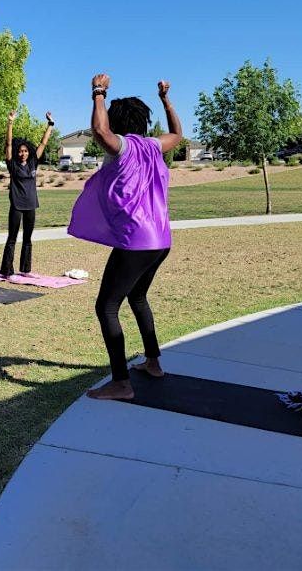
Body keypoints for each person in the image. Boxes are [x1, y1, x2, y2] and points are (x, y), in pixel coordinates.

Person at [68, 74, 182, 400]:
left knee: (106, 307)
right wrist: (165, 100)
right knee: (138, 298)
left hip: (136, 240)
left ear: (119, 122)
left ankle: (121, 382)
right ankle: (153, 363)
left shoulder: (124, 148)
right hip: (161, 240)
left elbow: (101, 131)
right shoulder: (154, 146)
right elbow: (177, 133)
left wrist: (98, 93)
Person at [0, 110, 55, 280]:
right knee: (12, 238)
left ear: (29, 152)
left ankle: (25, 269)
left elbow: (43, 143)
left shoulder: (33, 162)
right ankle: (7, 271)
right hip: (16, 205)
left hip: (31, 204)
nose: (22, 153)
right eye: (20, 151)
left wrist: (50, 124)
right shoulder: (13, 165)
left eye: (25, 151)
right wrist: (10, 122)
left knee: (28, 238)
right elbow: (9, 144)